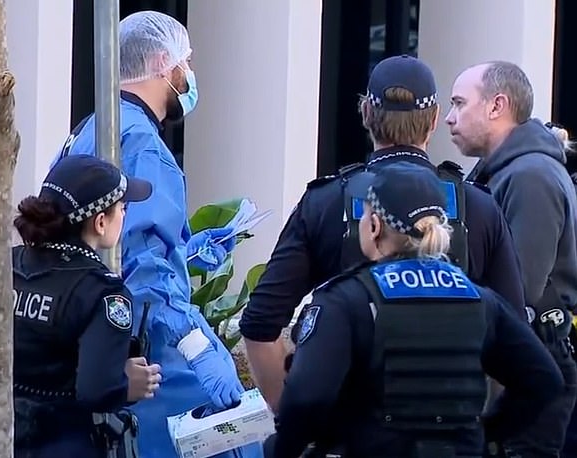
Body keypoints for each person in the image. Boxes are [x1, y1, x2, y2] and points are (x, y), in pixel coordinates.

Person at [240, 54, 526, 411]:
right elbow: (516, 344)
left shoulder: (325, 203)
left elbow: (260, 324)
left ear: (366, 115)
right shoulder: (479, 208)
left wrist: (293, 419)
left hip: (350, 436)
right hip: (452, 436)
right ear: (434, 118)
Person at [52, 10, 262, 458]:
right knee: (234, 438)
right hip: (146, 351)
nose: (191, 73)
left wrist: (186, 253)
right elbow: (146, 273)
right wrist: (198, 347)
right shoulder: (144, 146)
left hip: (81, 342)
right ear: (165, 61)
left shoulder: (89, 131)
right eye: (188, 61)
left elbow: (114, 246)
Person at [262, 162, 564, 458]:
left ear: (375, 226)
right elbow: (543, 380)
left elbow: (305, 400)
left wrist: (282, 449)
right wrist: (486, 436)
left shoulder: (347, 300)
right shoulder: (479, 299)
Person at [0, 154, 160, 457]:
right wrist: (124, 383)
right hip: (58, 446)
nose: (124, 215)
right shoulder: (103, 291)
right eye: (122, 208)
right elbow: (97, 391)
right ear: (100, 222)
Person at [446, 60, 577, 457]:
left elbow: (518, 293)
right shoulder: (507, 171)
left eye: (458, 104)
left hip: (532, 368)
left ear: (496, 105)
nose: (449, 119)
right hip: (520, 366)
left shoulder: (529, 176)